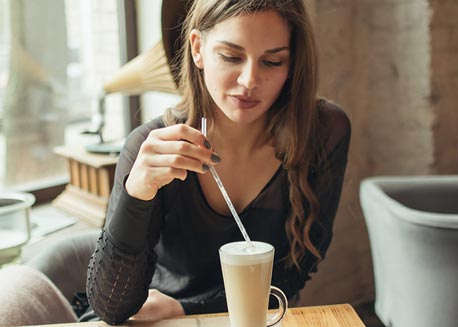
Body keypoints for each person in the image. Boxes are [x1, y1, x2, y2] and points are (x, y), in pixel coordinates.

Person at [86, 0, 351, 324]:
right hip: (157, 318)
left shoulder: (323, 131)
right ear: (197, 48)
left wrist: (189, 308)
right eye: (231, 57)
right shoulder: (150, 146)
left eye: (272, 61)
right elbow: (111, 307)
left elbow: (297, 269)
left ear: (293, 61)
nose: (250, 80)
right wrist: (137, 192)